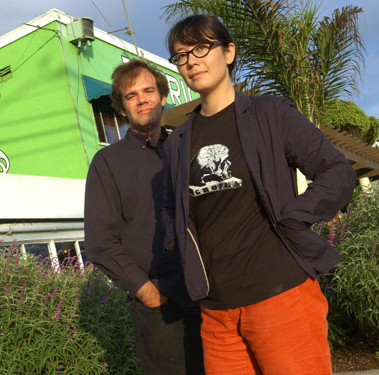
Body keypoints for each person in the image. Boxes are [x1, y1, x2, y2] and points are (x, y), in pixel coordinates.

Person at [162, 15, 357, 375]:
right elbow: (173, 209)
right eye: (180, 55)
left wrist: (294, 215)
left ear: (229, 52)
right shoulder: (177, 143)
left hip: (281, 295)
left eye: (201, 47)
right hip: (217, 312)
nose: (191, 60)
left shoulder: (269, 115)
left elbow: (338, 172)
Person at [84, 59, 204, 375]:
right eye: (131, 95)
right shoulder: (107, 163)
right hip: (162, 307)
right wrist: (150, 295)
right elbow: (100, 243)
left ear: (163, 97)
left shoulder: (186, 148)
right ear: (122, 108)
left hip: (211, 296)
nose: (142, 99)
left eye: (149, 90)